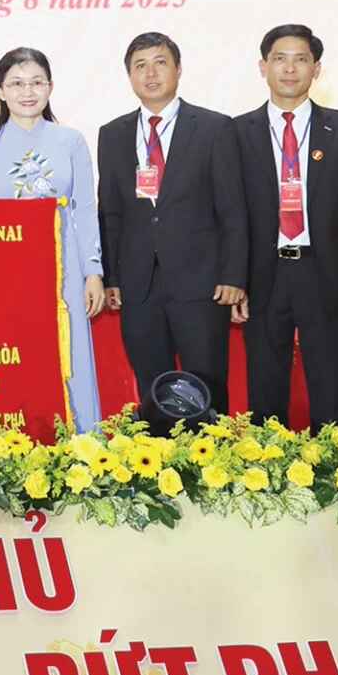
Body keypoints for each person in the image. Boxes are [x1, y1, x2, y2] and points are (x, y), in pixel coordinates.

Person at [96, 33, 248, 429]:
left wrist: (234, 276)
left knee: (206, 382)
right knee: (152, 383)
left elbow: (233, 209)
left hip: (201, 283)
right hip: (138, 285)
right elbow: (110, 212)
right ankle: (160, 470)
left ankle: (215, 469)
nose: (150, 73)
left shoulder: (215, 128)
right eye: (140, 65)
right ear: (128, 75)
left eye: (160, 62)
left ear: (178, 69)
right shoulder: (112, 134)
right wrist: (112, 277)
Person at [231, 25, 338, 430]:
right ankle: (270, 472)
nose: (290, 69)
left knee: (332, 380)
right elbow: (232, 214)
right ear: (263, 67)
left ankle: (336, 470)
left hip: (324, 272)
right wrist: (235, 279)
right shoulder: (237, 132)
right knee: (264, 380)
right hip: (264, 275)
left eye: (301, 59)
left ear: (317, 69)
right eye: (280, 59)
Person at [0, 48, 104, 431]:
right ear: (0, 92)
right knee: (15, 358)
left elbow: (85, 211)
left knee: (71, 358)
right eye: (16, 83)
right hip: (5, 276)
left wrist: (93, 272)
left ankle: (82, 448)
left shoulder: (71, 141)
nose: (27, 92)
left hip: (64, 272)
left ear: (50, 87)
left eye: (37, 82)